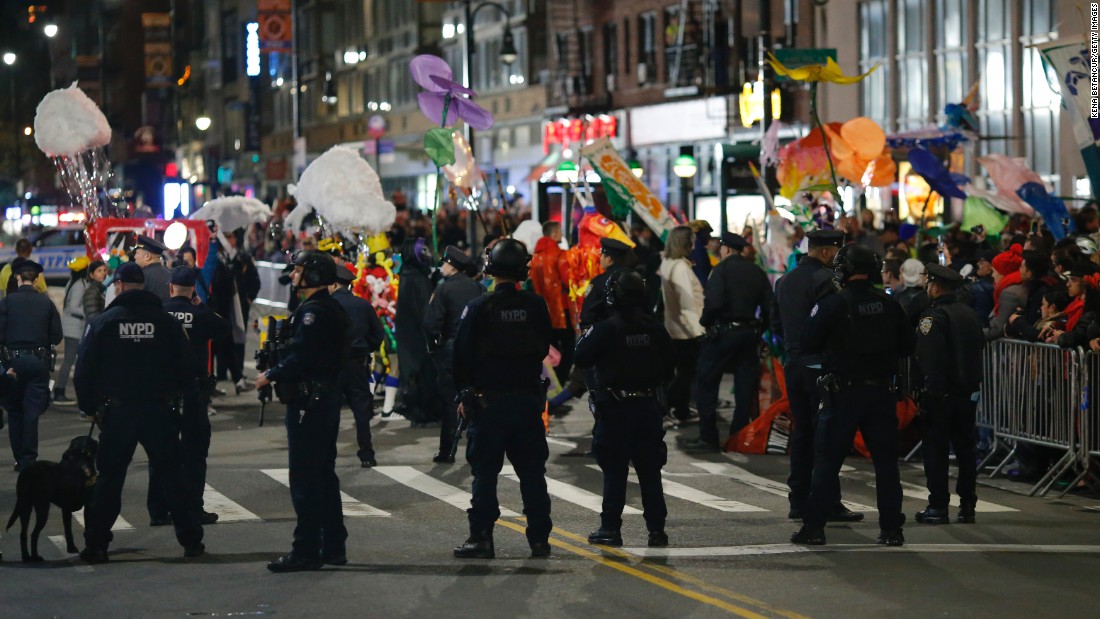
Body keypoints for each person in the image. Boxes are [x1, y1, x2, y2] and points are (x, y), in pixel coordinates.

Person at [74, 262, 205, 563]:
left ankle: (96, 545)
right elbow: (188, 367)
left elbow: (84, 371)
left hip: (118, 412)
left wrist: (89, 407)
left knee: (109, 480)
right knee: (173, 475)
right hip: (158, 410)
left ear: (118, 286)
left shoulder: (104, 323)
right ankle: (191, 541)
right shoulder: (166, 322)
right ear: (143, 286)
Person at [791, 244, 913, 547]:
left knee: (828, 462)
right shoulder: (890, 305)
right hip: (881, 393)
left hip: (843, 393)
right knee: (886, 465)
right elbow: (908, 347)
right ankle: (891, 529)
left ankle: (815, 528)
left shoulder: (834, 304)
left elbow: (807, 341)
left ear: (842, 271)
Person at [451, 239, 553, 560]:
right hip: (526, 400)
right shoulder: (536, 306)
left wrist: (464, 393)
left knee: (485, 473)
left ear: (489, 268)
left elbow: (460, 356)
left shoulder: (479, 308)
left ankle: (481, 537)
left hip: (489, 402)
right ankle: (539, 539)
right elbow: (542, 347)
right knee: (532, 474)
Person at [254, 251, 351, 572]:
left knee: (306, 477)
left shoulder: (315, 313)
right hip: (322, 401)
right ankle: (333, 545)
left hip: (311, 403)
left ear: (313, 276)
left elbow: (304, 356)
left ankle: (306, 549)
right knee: (323, 474)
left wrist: (271, 374)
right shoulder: (322, 308)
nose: (293, 276)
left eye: (298, 271)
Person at [575, 270, 674, 547]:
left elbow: (581, 356)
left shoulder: (606, 329)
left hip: (616, 407)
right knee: (650, 471)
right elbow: (669, 368)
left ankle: (611, 528)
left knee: (615, 471)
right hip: (647, 406)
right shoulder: (654, 328)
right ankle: (657, 530)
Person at [772, 230, 861, 522]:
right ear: (825, 252)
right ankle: (828, 501)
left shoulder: (785, 280)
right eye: (836, 252)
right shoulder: (825, 281)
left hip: (794, 364)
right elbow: (835, 324)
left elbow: (774, 323)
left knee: (802, 433)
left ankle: (798, 500)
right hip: (819, 366)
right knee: (826, 436)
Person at [146, 266, 235, 527]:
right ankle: (193, 508)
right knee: (195, 452)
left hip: (163, 393)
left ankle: (159, 510)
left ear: (170, 287)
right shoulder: (201, 314)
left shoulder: (159, 312)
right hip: (193, 393)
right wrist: (202, 307)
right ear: (193, 290)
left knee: (161, 450)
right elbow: (225, 327)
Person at [680, 232, 772, 451]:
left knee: (707, 383)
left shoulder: (720, 271)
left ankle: (708, 437)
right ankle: (738, 437)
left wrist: (705, 322)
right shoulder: (756, 271)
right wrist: (760, 328)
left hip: (722, 334)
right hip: (749, 334)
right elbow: (770, 306)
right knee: (744, 387)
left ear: (727, 250)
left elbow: (714, 303)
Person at [914, 264, 985, 525]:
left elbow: (931, 359)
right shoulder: (970, 314)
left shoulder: (933, 318)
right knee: (966, 450)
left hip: (941, 395)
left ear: (934, 287)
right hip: (968, 393)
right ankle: (967, 505)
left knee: (936, 451)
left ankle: (938, 506)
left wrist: (929, 392)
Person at [0, 258, 62, 471]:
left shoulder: (6, 303)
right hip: (38, 362)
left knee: (15, 411)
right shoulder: (46, 303)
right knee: (32, 412)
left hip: (12, 362)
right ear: (36, 279)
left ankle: (20, 458)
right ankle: (29, 459)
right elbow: (57, 335)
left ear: (17, 277)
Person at [424, 245, 483, 463]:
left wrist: (433, 345)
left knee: (450, 402)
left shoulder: (443, 289)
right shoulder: (477, 288)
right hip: (475, 351)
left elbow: (431, 323)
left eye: (444, 263)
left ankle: (447, 450)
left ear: (452, 266)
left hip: (450, 350)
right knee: (476, 399)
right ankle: (477, 445)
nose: (442, 266)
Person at [331, 266, 386, 468]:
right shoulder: (363, 306)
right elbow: (378, 334)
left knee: (331, 410)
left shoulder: (328, 305)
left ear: (334, 284)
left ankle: (328, 453)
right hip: (358, 364)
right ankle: (366, 453)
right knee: (361, 411)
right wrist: (366, 348)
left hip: (334, 366)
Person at [657, 225, 705, 423]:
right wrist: (698, 332)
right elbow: (686, 305)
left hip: (674, 326)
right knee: (686, 374)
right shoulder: (681, 268)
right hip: (685, 330)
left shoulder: (668, 263)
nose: (694, 245)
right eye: (692, 240)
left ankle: (681, 409)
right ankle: (670, 407)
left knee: (682, 372)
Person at [394, 238, 441, 424]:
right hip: (419, 338)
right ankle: (425, 412)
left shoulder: (409, 275)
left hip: (410, 335)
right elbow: (426, 311)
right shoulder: (417, 279)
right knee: (424, 373)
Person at [529, 221, 573, 385]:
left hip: (543, 309)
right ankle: (561, 379)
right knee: (569, 345)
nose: (561, 235)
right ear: (553, 234)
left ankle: (550, 380)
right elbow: (568, 281)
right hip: (562, 308)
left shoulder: (535, 257)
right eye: (559, 231)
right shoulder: (560, 255)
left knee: (550, 347)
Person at [54, 256, 91, 405]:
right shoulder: (79, 286)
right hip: (73, 327)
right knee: (69, 360)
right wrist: (87, 311)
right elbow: (73, 307)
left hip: (70, 326)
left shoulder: (73, 282)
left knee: (70, 360)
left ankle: (59, 391)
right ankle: (59, 391)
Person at [133, 235, 172, 302]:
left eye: (137, 253)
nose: (134, 257)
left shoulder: (140, 277)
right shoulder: (171, 275)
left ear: (147, 256)